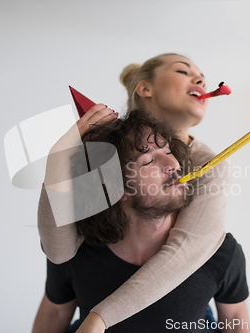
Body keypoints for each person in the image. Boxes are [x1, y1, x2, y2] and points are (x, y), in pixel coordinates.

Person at [37, 53, 233, 331]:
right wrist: (57, 162)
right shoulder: (108, 156)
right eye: (182, 70)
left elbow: (188, 251)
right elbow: (60, 254)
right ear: (145, 88)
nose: (201, 79)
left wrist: (99, 318)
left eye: (168, 152)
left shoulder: (209, 165)